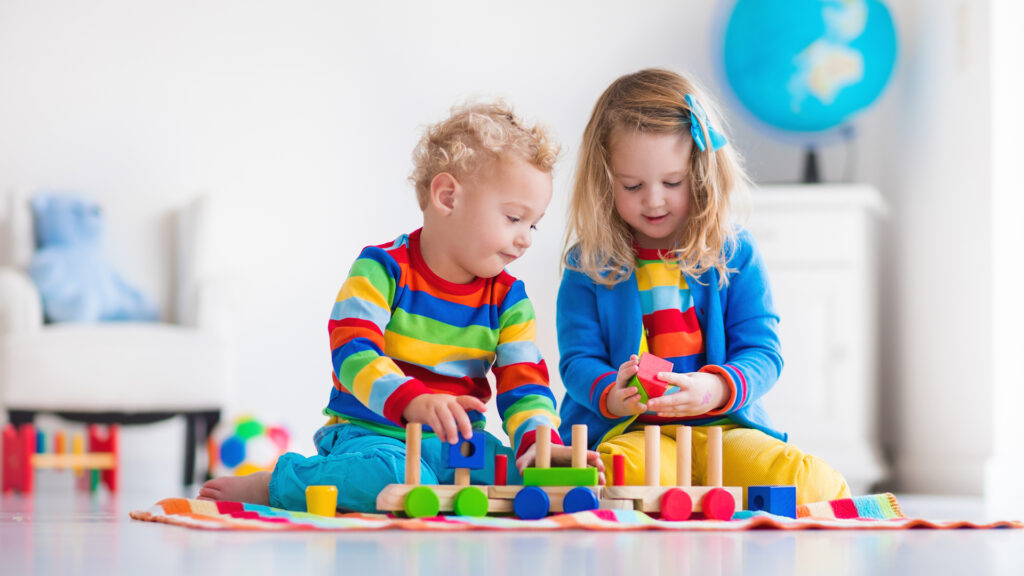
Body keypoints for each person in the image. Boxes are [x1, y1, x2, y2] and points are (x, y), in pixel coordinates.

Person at [200, 100, 603, 512]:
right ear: (447, 197)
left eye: (533, 224)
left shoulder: (509, 299)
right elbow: (352, 350)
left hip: (457, 447)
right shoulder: (383, 268)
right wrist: (412, 401)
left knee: (531, 473)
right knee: (394, 476)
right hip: (374, 433)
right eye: (514, 218)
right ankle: (282, 483)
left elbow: (525, 382)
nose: (525, 239)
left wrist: (537, 441)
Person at [556, 68, 849, 505]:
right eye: (633, 186)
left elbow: (763, 352)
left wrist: (716, 389)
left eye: (672, 183)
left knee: (810, 485)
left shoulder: (735, 253)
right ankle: (673, 493)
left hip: (722, 429)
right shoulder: (588, 264)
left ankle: (688, 492)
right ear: (604, 181)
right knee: (614, 475)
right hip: (633, 431)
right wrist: (612, 397)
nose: (654, 200)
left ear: (701, 173)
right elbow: (578, 359)